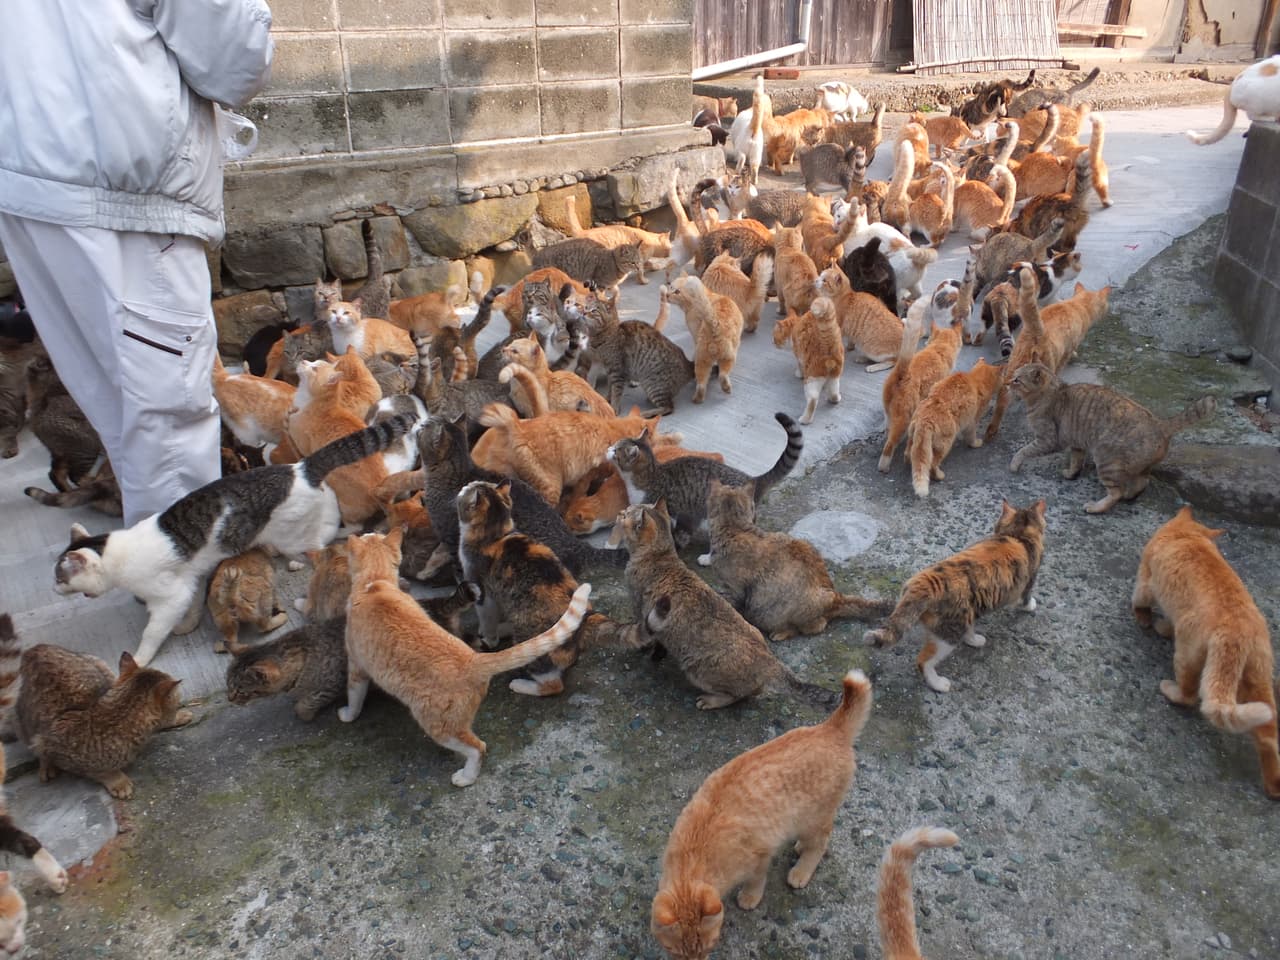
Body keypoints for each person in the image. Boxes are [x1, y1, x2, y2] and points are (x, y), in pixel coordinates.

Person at [0, 0, 275, 526]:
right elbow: (235, 60)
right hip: (121, 187)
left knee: (115, 402)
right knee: (168, 418)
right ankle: (180, 563)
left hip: (28, 174)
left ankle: (146, 541)